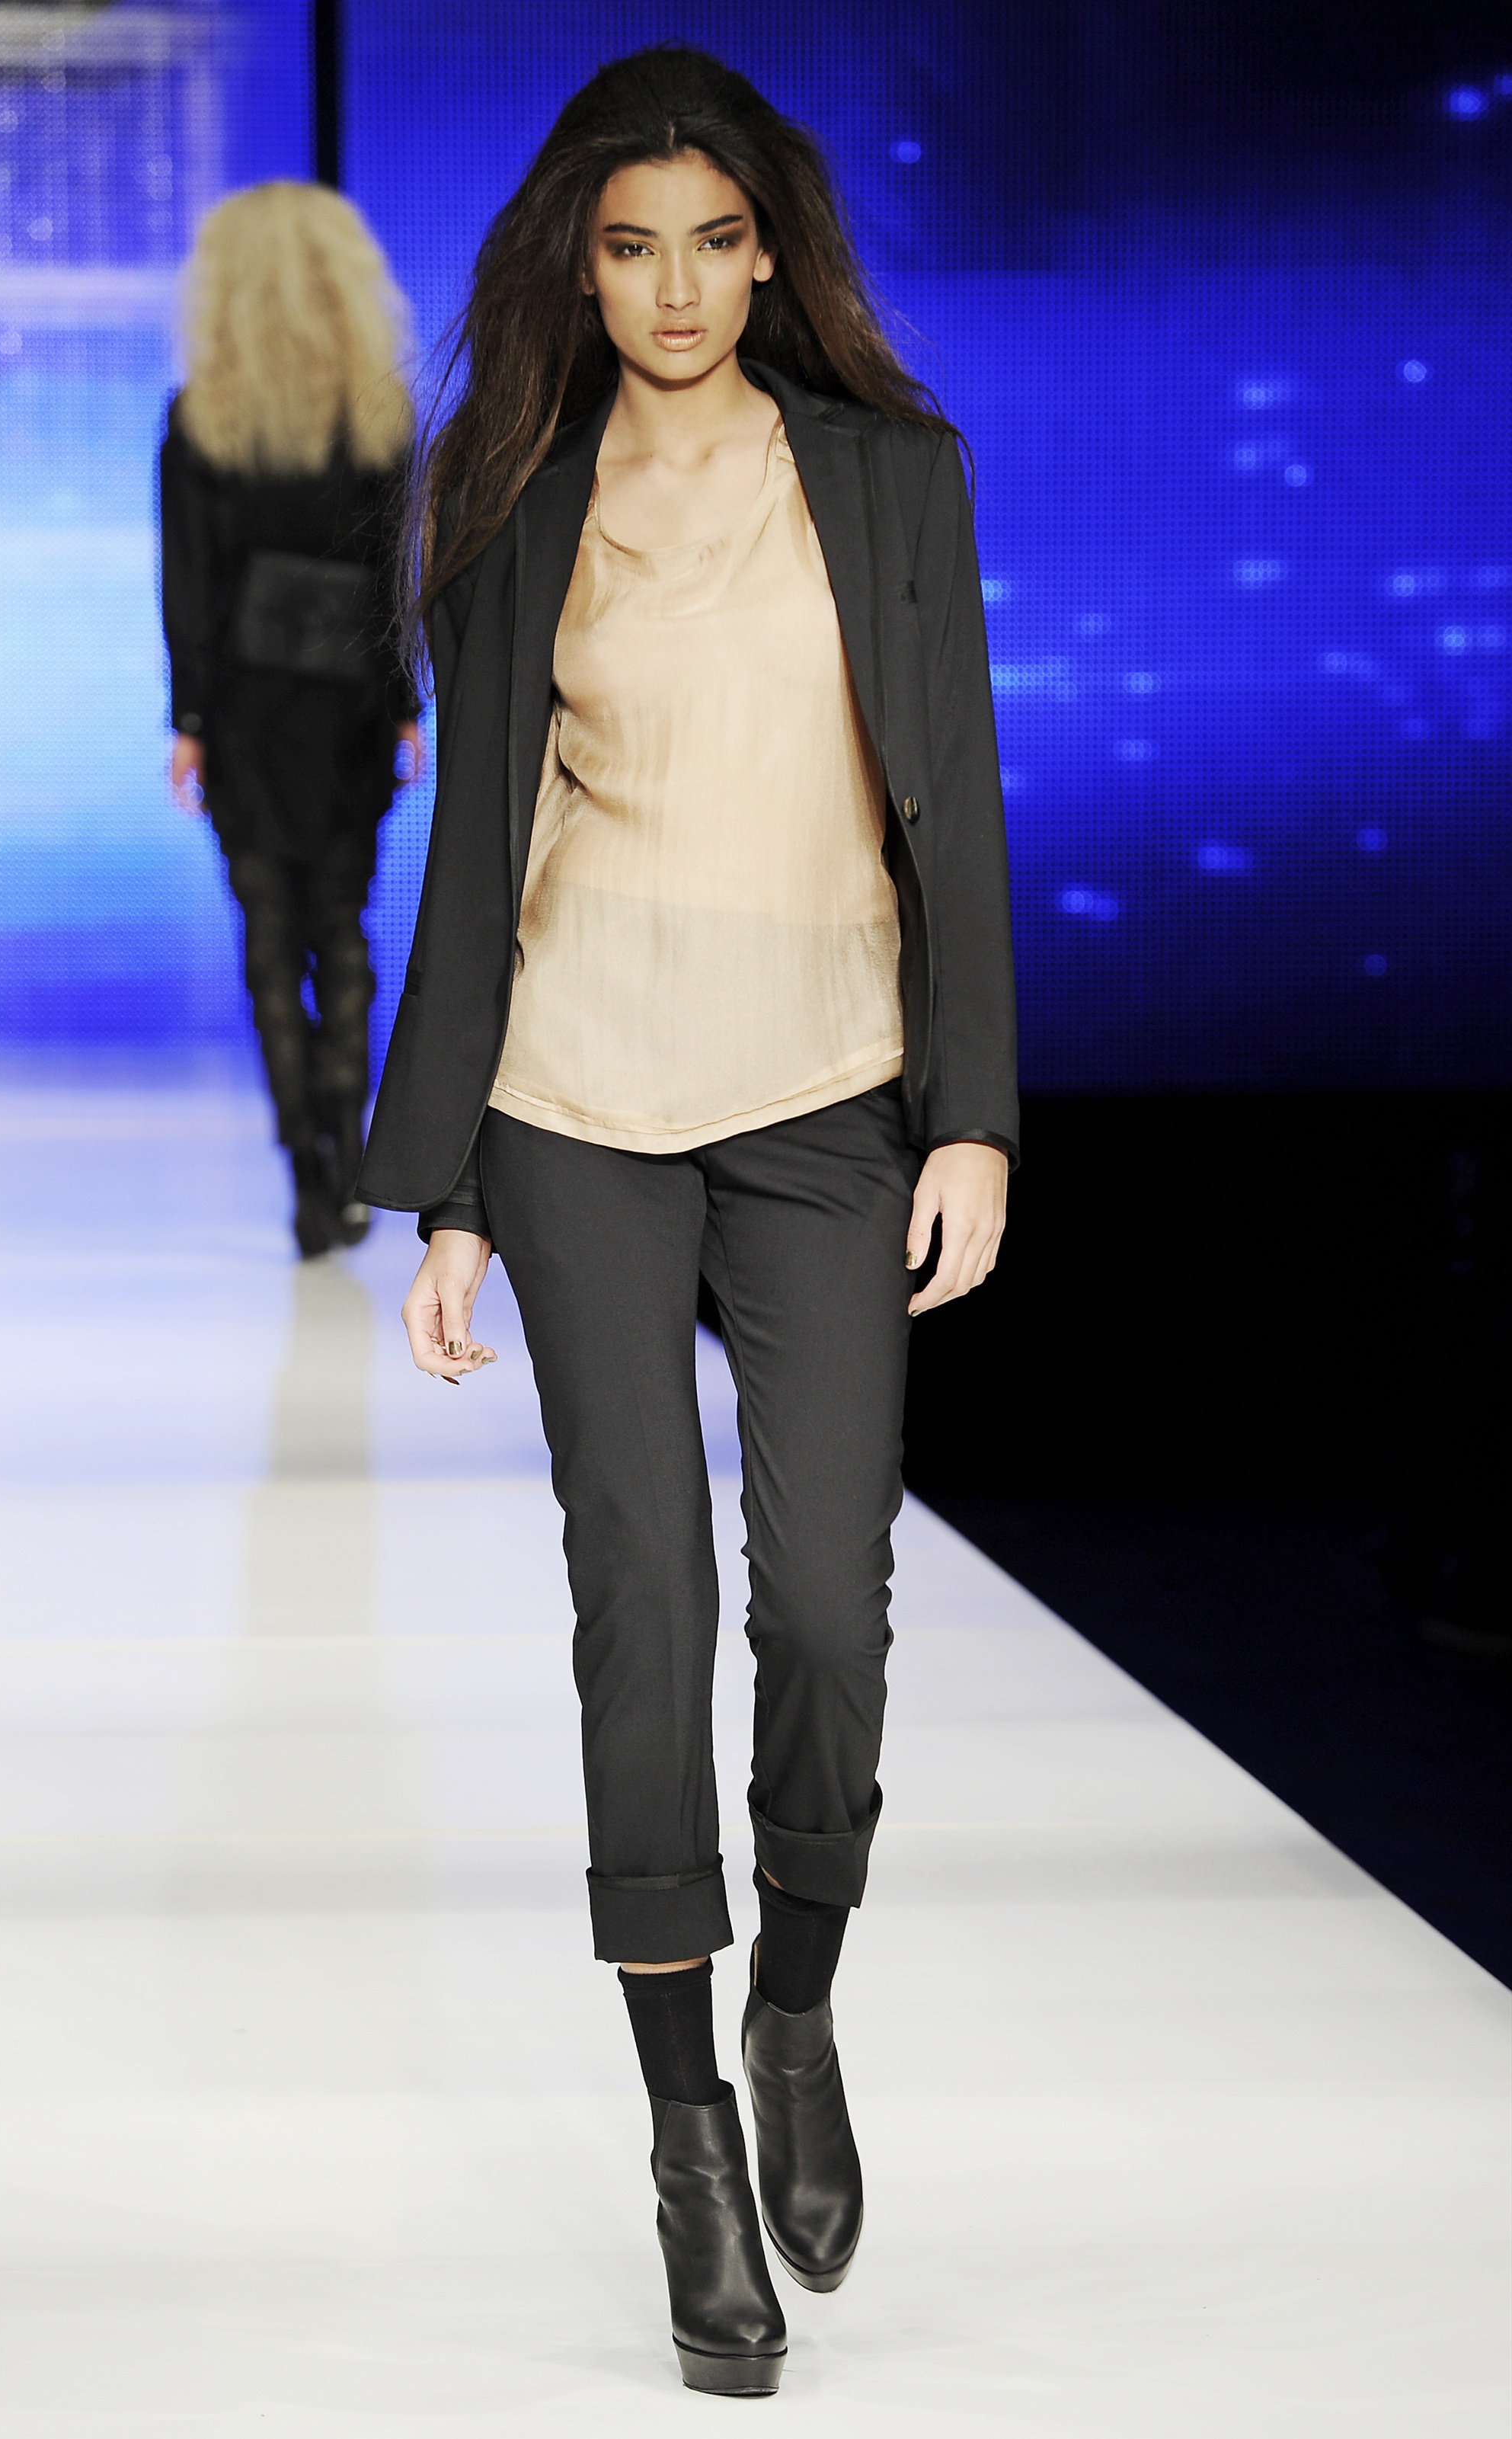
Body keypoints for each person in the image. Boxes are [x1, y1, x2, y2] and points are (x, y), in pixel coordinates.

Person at [361, 48, 1017, 2396]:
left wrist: (975, 1115)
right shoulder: (507, 495)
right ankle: (687, 2139)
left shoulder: (893, 478)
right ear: (581, 257)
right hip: (576, 1103)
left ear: (771, 255)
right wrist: (446, 1187)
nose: (672, 289)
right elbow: (475, 860)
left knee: (828, 1607)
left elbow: (958, 801)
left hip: (831, 1094)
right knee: (644, 1597)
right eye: (631, 245)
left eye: (714, 244)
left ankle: (798, 1997)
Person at [158, 181, 420, 1258]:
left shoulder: (203, 420)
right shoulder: (379, 417)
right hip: (349, 704)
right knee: (341, 929)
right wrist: (404, 702)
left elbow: (189, 585)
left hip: (250, 712)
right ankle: (348, 1159)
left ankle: (310, 1174)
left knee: (271, 939)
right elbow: (398, 575)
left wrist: (189, 717)